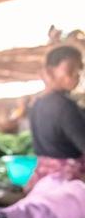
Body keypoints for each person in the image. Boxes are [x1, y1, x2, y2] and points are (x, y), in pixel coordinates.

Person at [27, 45, 85, 190]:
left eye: (79, 69)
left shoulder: (36, 103)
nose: (77, 74)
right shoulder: (65, 106)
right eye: (70, 69)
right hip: (66, 183)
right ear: (50, 71)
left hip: (43, 180)